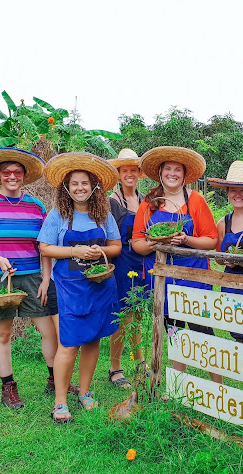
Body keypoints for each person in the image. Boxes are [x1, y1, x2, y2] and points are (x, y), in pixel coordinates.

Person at [0, 147, 66, 409]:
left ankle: (55, 379)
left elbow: (44, 245)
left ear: (24, 175)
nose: (12, 176)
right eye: (7, 172)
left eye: (17, 172)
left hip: (33, 275)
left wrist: (46, 278)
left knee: (48, 330)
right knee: (3, 332)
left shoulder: (36, 206)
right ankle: (8, 387)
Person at [38, 153, 122, 423]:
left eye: (85, 183)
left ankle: (85, 392)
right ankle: (60, 401)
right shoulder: (58, 215)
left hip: (100, 284)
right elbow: (45, 248)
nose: (80, 188)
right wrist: (74, 250)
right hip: (70, 288)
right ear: (66, 187)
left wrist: (100, 251)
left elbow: (116, 247)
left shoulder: (104, 214)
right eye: (74, 183)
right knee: (69, 343)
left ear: (95, 186)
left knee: (94, 339)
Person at [132, 146, 221, 382]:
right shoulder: (149, 203)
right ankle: (179, 386)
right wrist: (156, 242)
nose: (172, 173)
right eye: (168, 169)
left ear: (184, 175)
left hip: (195, 276)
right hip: (164, 278)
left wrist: (187, 239)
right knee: (173, 330)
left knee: (203, 331)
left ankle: (218, 387)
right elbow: (137, 243)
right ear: (160, 173)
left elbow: (212, 240)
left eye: (177, 170)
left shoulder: (195, 201)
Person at [210, 160, 243, 392]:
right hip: (233, 283)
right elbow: (219, 255)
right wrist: (225, 259)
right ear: (227, 192)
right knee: (240, 337)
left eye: (242, 189)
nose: (237, 194)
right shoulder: (224, 222)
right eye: (233, 189)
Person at [107, 149, 146, 389]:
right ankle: (115, 367)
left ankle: (139, 361)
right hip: (122, 262)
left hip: (142, 262)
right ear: (119, 174)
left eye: (133, 170)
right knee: (123, 316)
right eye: (125, 171)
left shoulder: (146, 200)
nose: (129, 174)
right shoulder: (113, 201)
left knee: (139, 313)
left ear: (140, 173)